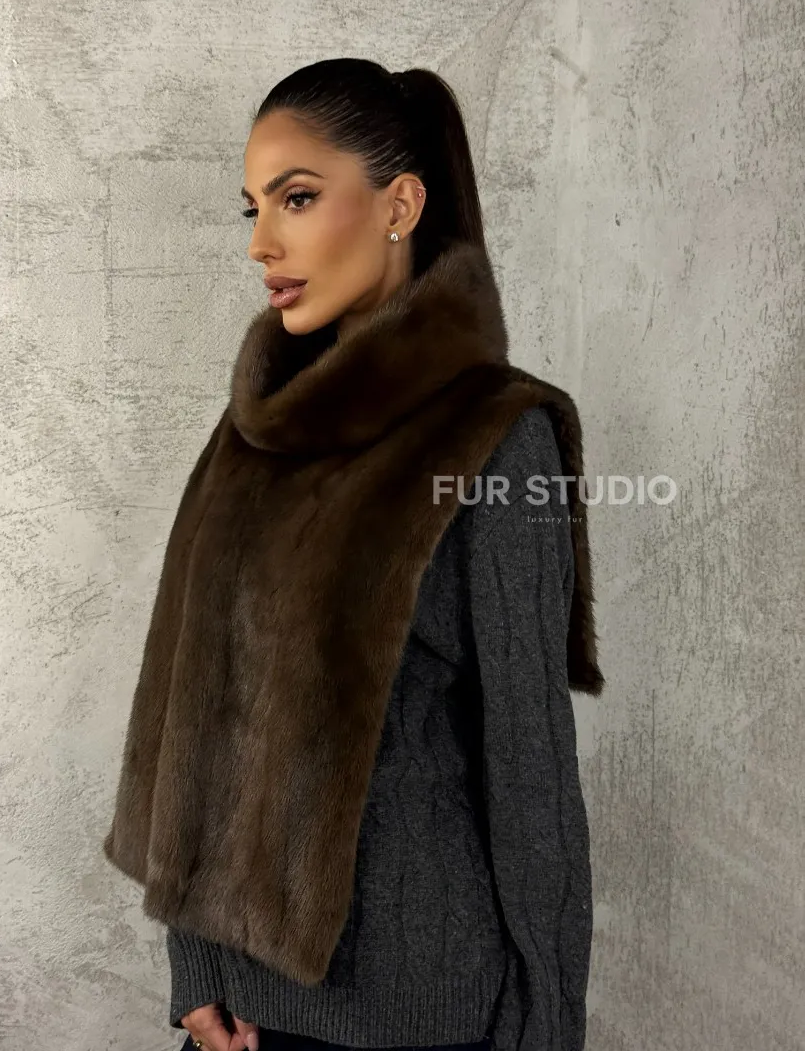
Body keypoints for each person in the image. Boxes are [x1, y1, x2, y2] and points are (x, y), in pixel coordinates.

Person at [102, 58, 604, 1051]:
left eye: (295, 198)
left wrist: (546, 1023)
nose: (261, 242)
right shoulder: (256, 429)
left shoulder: (496, 435)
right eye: (252, 207)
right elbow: (198, 705)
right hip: (246, 1007)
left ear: (398, 206)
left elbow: (529, 758)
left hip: (420, 1007)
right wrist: (195, 963)